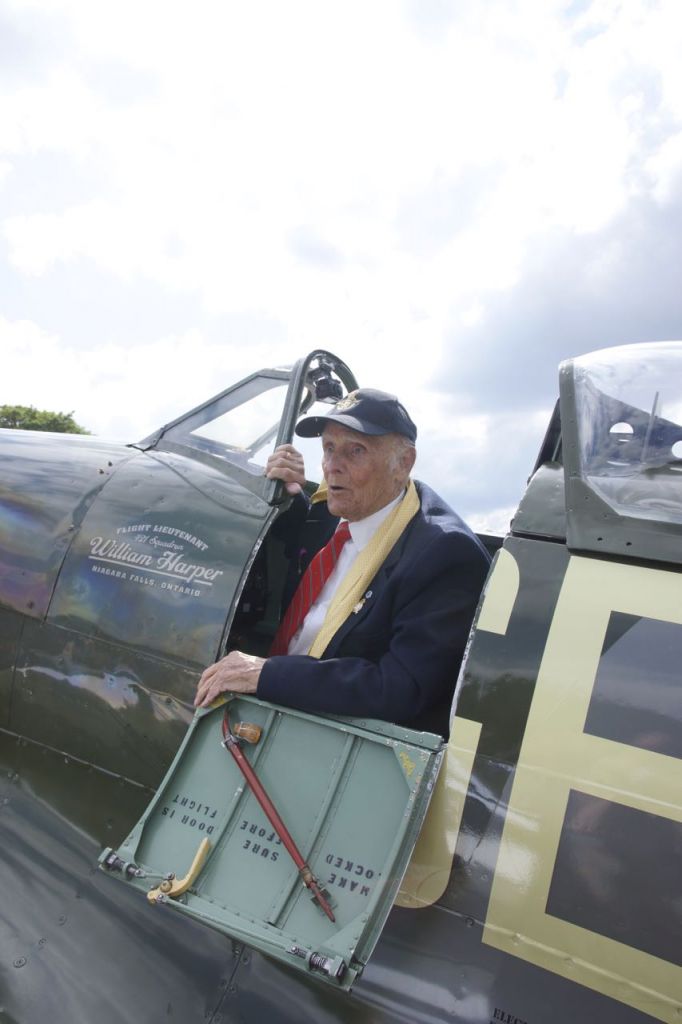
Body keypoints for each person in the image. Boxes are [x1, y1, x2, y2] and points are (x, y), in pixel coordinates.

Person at [194, 389, 490, 735]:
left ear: (404, 463)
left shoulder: (445, 553)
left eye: (356, 451)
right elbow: (304, 551)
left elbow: (399, 688)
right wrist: (287, 496)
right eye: (329, 448)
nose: (333, 466)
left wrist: (267, 674)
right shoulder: (331, 513)